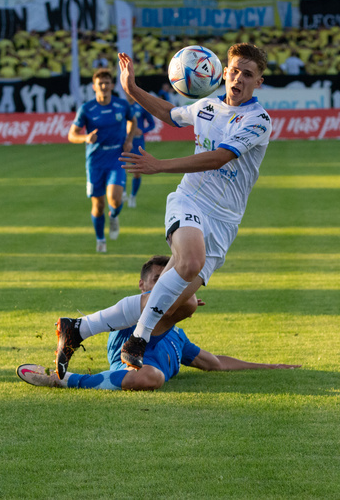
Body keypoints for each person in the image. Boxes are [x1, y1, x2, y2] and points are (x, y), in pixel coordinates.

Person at [54, 42, 271, 378]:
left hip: (224, 222)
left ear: (258, 82)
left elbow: (221, 156)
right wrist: (132, 88)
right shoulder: (207, 106)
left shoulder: (258, 120)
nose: (238, 78)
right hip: (190, 201)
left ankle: (78, 328)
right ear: (223, 72)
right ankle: (137, 340)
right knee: (190, 260)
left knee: (175, 304)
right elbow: (170, 114)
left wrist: (160, 164)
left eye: (248, 74)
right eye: (234, 71)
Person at [18, 256, 299, 391]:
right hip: (129, 364)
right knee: (152, 376)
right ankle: (68, 378)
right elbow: (170, 301)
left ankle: (75, 337)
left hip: (150, 366)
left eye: (170, 285)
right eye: (157, 283)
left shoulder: (178, 338)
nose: (166, 291)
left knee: (154, 375)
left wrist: (266, 365)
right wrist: (182, 304)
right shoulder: (131, 315)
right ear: (142, 286)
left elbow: (216, 363)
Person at [68, 68, 136, 253]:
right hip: (95, 162)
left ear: (112, 85)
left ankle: (114, 216)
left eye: (107, 83)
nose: (104, 86)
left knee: (114, 199)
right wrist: (85, 138)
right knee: (98, 206)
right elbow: (72, 135)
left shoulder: (122, 105)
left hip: (116, 157)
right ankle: (100, 239)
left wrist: (129, 140)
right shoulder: (87, 109)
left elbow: (133, 121)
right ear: (94, 86)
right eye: (100, 83)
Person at [124, 95, 156, 208]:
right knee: (121, 167)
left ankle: (132, 196)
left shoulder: (141, 107)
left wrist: (142, 131)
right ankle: (122, 192)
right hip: (123, 141)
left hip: (137, 143)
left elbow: (152, 124)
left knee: (136, 172)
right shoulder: (121, 106)